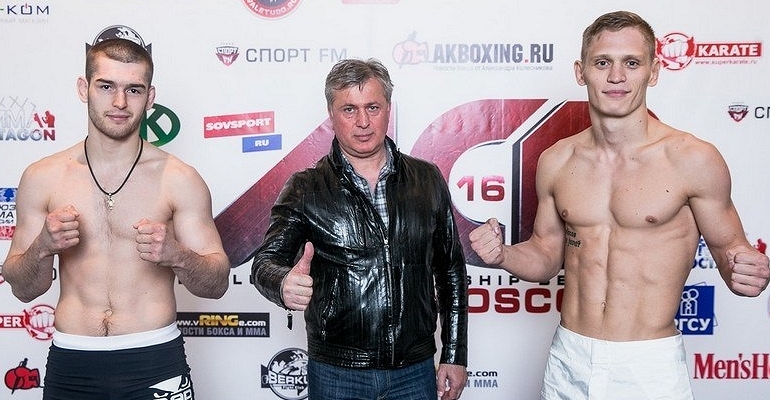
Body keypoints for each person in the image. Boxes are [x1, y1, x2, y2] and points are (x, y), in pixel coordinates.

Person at [469, 10, 770, 400]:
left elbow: (733, 255)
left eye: (631, 63)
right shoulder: (557, 160)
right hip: (569, 356)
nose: (616, 76)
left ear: (653, 72)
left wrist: (747, 273)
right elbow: (546, 255)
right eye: (602, 63)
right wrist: (503, 255)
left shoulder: (693, 159)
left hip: (648, 363)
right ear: (581, 72)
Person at [2, 38, 230, 399]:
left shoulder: (180, 180)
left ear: (150, 97)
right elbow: (23, 288)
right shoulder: (43, 177)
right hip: (72, 361)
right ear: (84, 88)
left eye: (133, 90)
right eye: (106, 86)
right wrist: (43, 247)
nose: (120, 102)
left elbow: (216, 285)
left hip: (155, 358)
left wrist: (177, 254)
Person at [251, 58, 468, 400]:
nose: (363, 122)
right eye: (349, 109)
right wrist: (281, 282)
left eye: (373, 107)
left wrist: (454, 353)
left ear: (388, 109)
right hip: (337, 372)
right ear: (331, 113)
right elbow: (264, 263)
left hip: (414, 370)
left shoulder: (427, 179)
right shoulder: (305, 187)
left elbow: (451, 271)